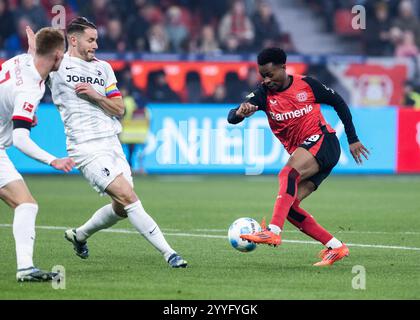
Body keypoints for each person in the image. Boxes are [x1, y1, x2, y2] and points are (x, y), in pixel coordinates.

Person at [27, 17, 187, 268]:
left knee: (122, 208)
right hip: (85, 147)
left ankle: (79, 235)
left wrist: (95, 96)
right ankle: (170, 254)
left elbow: (119, 108)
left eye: (97, 40)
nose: (95, 45)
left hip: (112, 143)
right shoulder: (59, 64)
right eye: (91, 40)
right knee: (128, 196)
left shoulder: (104, 68)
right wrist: (29, 110)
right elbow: (32, 80)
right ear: (73, 40)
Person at [227, 48, 369, 266]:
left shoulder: (308, 85)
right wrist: (240, 112)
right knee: (291, 208)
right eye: (262, 75)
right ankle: (336, 247)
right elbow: (232, 117)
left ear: (283, 68)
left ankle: (273, 231)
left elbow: (339, 102)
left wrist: (353, 138)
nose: (266, 80)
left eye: (270, 74)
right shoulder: (263, 94)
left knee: (288, 173)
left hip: (324, 141)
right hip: (311, 153)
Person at [0, 27, 75, 282]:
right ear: (56, 55)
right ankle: (25, 269)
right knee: (26, 204)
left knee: (26, 204)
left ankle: (25, 269)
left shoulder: (20, 60)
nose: (63, 58)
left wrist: (23, 114)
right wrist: (53, 159)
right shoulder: (30, 89)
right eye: (62, 54)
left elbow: (34, 52)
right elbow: (20, 140)